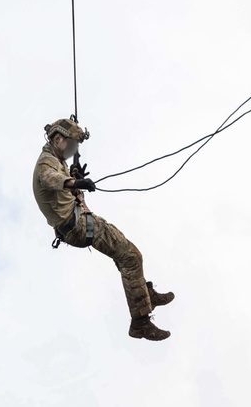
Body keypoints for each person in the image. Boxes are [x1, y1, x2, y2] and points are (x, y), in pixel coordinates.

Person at [32, 118, 175, 341]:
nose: (72, 151)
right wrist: (75, 183)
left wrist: (74, 174)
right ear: (57, 139)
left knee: (127, 256)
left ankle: (144, 295)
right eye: (70, 146)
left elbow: (61, 178)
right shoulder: (45, 165)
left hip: (78, 223)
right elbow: (51, 179)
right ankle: (140, 323)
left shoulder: (55, 159)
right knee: (131, 257)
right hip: (78, 227)